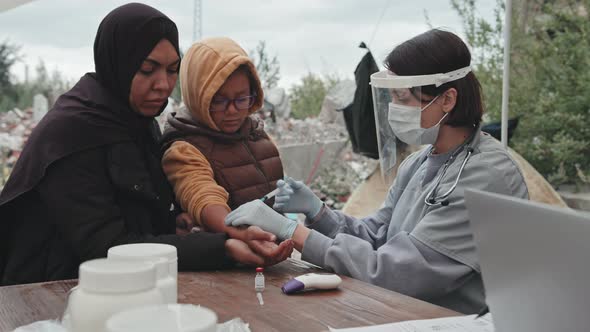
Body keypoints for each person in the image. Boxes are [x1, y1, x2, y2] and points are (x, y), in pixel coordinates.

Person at [224, 29, 529, 314]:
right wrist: (319, 212)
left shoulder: (485, 176)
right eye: (392, 98)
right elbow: (377, 235)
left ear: (447, 99)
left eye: (403, 98)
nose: (394, 109)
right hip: (407, 312)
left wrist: (292, 231)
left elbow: (393, 272)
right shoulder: (421, 162)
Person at [0, 3, 290, 286]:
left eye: (172, 69)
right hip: (48, 290)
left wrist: (176, 223)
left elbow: (137, 211)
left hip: (129, 281)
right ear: (117, 64)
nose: (163, 84)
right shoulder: (71, 133)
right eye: (148, 69)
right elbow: (106, 247)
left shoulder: (138, 122)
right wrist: (222, 247)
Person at [160, 37, 286, 250]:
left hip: (272, 249)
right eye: (218, 101)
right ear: (198, 96)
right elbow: (200, 191)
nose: (232, 110)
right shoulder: (185, 147)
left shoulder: (255, 134)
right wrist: (235, 231)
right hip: (229, 262)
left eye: (241, 98)